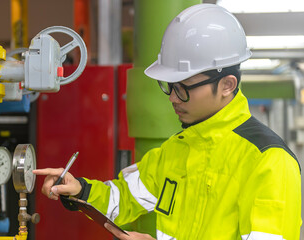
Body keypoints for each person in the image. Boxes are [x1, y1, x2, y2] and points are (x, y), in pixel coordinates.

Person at [33, 4, 302, 240]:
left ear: (227, 85)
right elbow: (121, 199)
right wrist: (80, 189)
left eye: (183, 87)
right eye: (169, 85)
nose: (173, 97)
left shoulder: (268, 162)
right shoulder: (175, 152)